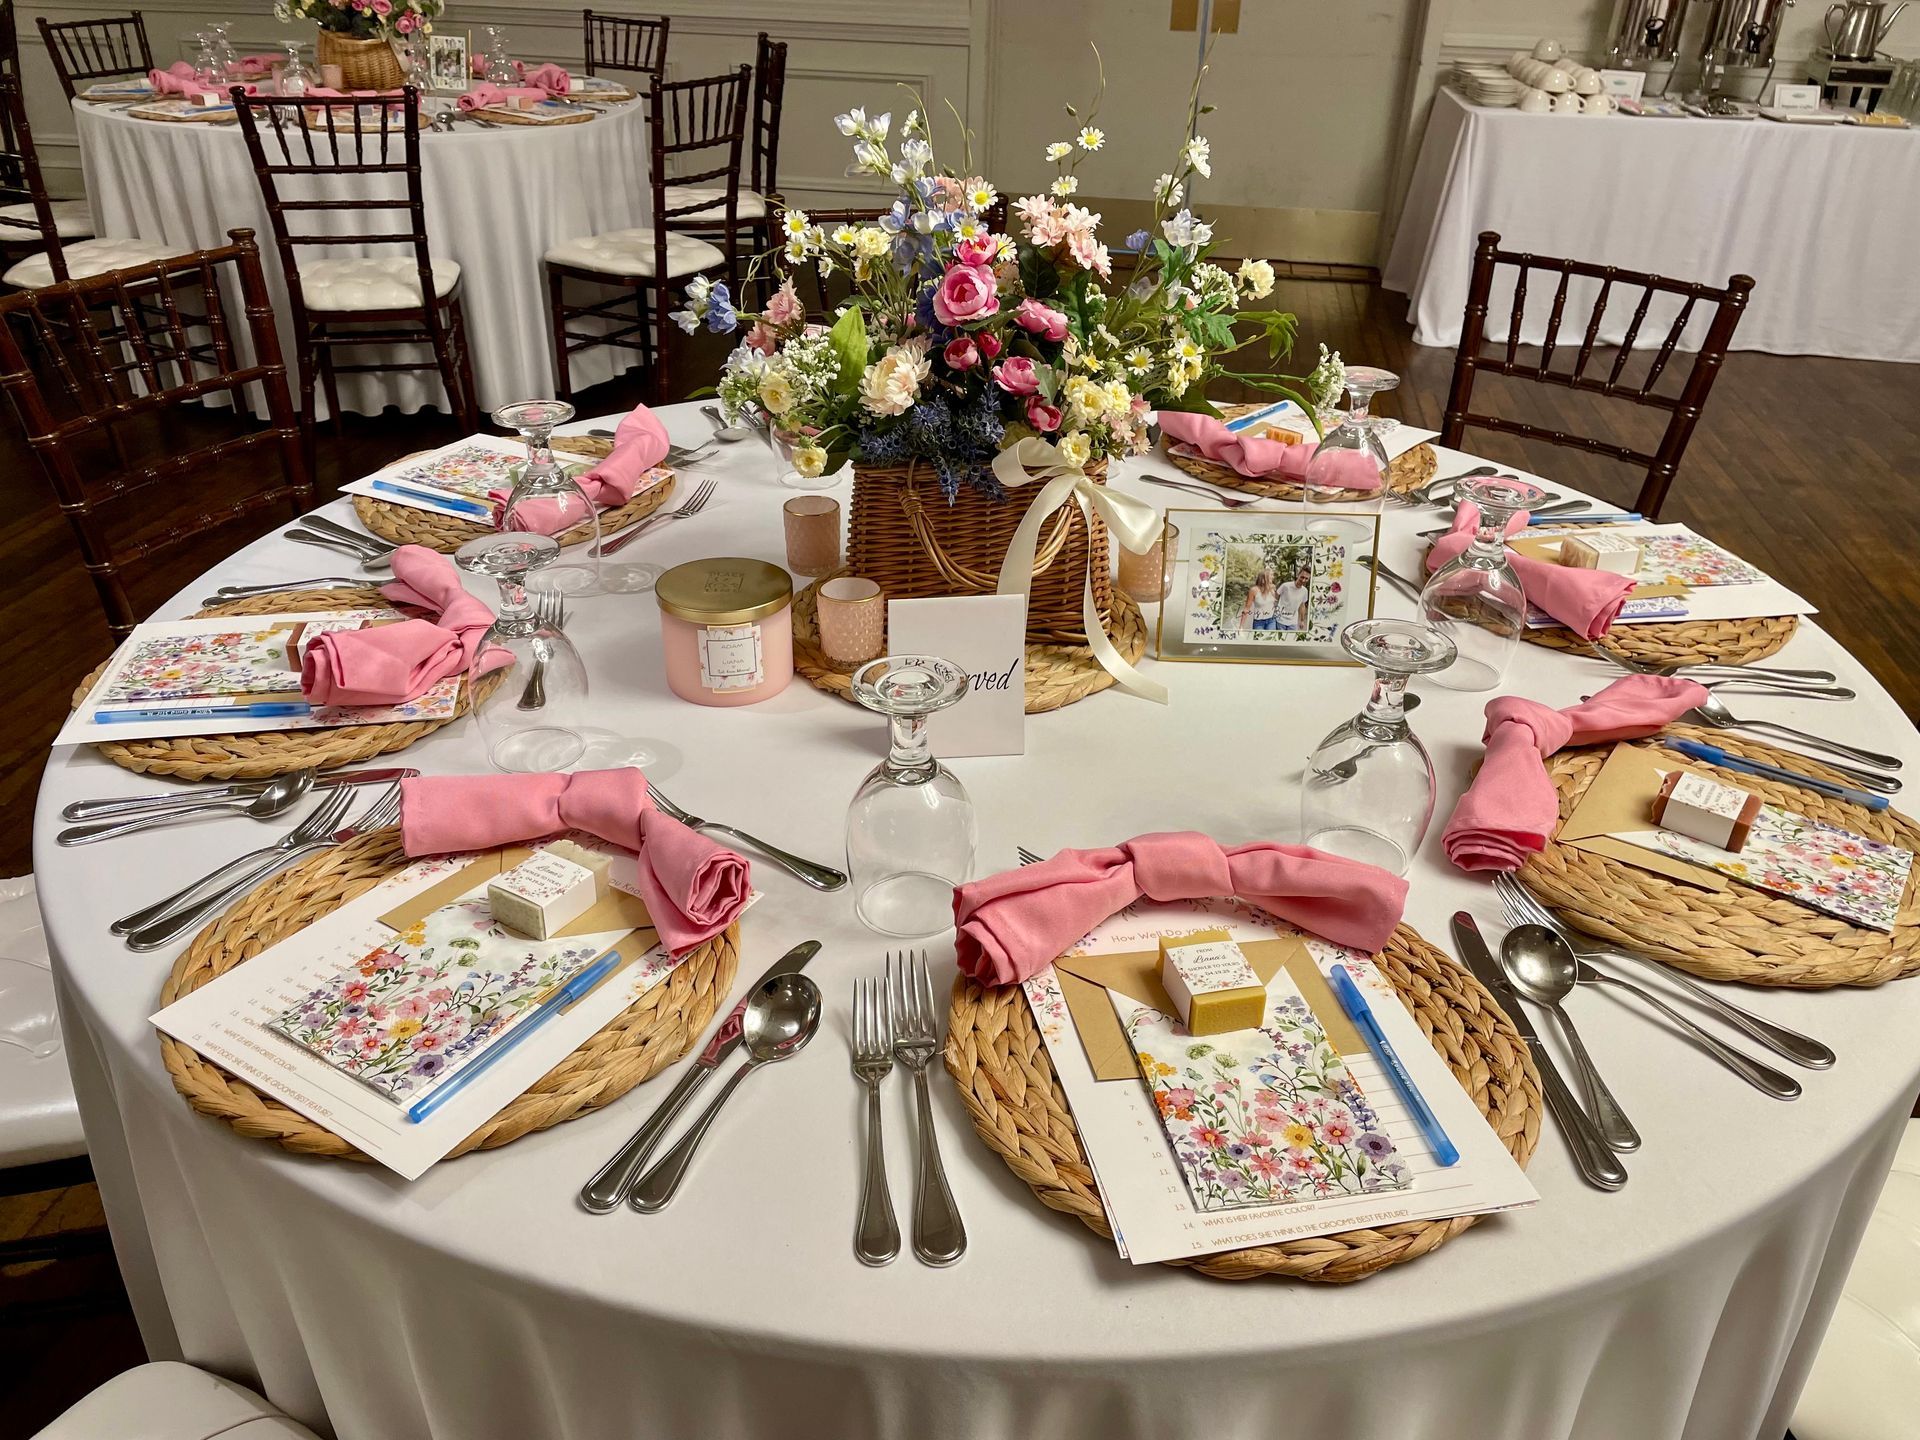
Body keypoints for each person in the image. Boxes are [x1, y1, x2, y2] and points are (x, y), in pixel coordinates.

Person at [1237, 567, 1281, 632]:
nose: (1273, 577)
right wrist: (1241, 627)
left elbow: (1275, 605)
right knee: (1259, 640)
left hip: (1271, 621)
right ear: (1264, 578)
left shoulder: (1272, 588)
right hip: (1258, 622)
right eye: (1271, 575)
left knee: (1270, 641)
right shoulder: (1254, 590)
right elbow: (1246, 609)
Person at [1272, 562, 1311, 633]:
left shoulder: (1305, 591)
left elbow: (1302, 606)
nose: (1303, 580)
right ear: (1298, 575)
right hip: (1280, 620)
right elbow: (1275, 597)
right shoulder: (1285, 586)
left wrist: (1302, 620)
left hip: (1293, 622)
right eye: (1302, 577)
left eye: (1306, 578)